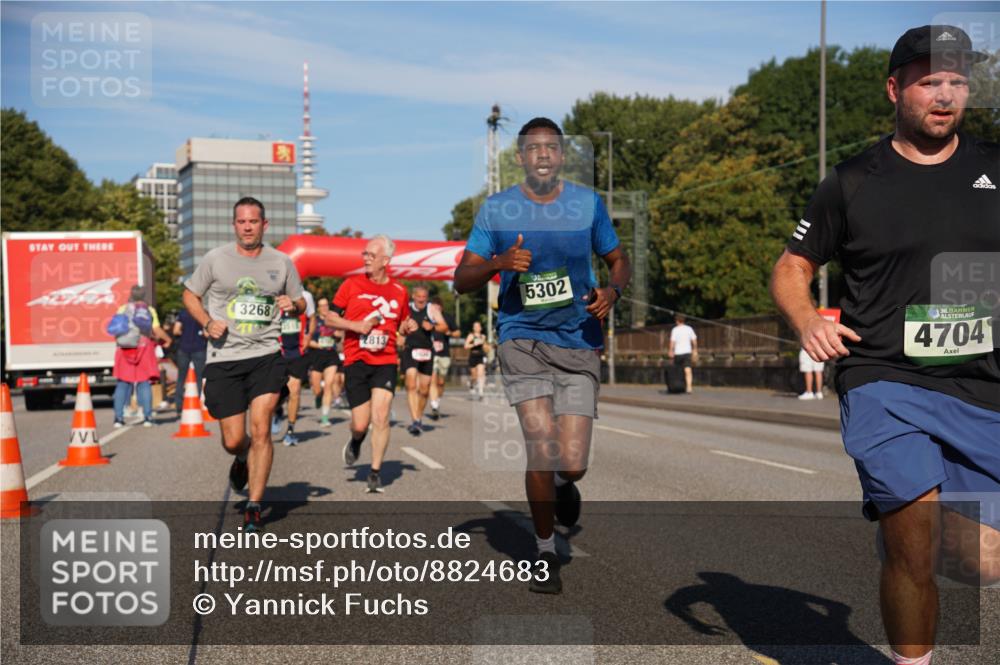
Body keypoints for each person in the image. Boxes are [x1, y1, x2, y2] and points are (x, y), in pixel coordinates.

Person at [770, 25, 998, 665]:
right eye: (930, 81)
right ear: (895, 88)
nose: (946, 95)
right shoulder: (852, 182)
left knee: (977, 563)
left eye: (957, 81)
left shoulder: (996, 168)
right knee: (914, 550)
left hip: (982, 383)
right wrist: (807, 318)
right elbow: (791, 266)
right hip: (885, 379)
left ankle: (905, 531)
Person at [454, 117, 631, 594]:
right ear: (520, 157)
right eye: (535, 149)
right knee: (541, 444)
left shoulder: (586, 204)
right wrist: (497, 263)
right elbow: (460, 279)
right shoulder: (498, 210)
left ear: (562, 155)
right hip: (522, 339)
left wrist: (613, 292)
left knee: (571, 462)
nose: (545, 155)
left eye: (553, 148)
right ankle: (545, 550)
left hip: (577, 339)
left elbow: (618, 259)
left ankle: (560, 483)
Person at [183, 196, 305, 532]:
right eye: (241, 221)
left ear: (265, 225)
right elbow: (190, 295)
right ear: (234, 224)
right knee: (234, 439)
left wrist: (291, 305)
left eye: (254, 221)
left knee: (262, 427)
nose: (247, 227)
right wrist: (207, 322)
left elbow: (300, 302)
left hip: (266, 356)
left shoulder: (281, 262)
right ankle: (241, 457)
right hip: (225, 357)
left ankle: (254, 503)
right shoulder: (215, 259)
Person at [326, 235, 418, 494]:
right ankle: (356, 440)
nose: (365, 258)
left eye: (371, 255)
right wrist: (355, 326)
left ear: (385, 261)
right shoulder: (351, 284)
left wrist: (408, 327)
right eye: (364, 254)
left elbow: (402, 323)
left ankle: (375, 472)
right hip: (356, 360)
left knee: (381, 416)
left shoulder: (399, 291)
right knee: (360, 423)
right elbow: (330, 318)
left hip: (386, 360)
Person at [111, 284, 171, 427]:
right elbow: (156, 329)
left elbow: (115, 329)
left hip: (125, 348)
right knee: (144, 383)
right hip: (144, 347)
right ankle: (147, 417)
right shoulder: (149, 310)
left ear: (131, 295)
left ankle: (118, 418)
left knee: (123, 383)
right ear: (143, 296)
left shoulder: (122, 309)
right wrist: (168, 339)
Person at [400, 285, 447, 436]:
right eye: (418, 297)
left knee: (425, 390)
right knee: (411, 384)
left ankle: (418, 417)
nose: (421, 300)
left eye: (424, 297)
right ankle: (415, 420)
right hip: (410, 349)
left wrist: (432, 326)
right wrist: (401, 333)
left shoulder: (432, 309)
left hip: (427, 351)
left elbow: (444, 327)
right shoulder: (406, 308)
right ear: (413, 296)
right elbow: (397, 325)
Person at [275, 289, 316, 446]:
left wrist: (309, 335)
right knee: (275, 394)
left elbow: (312, 317)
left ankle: (290, 430)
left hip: (297, 351)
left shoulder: (306, 296)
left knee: (295, 390)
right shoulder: (272, 293)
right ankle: (278, 410)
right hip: (278, 350)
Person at [308, 297, 343, 427]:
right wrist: (318, 345)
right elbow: (307, 340)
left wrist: (339, 333)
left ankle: (325, 417)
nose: (324, 308)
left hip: (331, 356)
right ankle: (318, 396)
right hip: (316, 356)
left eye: (326, 305)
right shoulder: (314, 321)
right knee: (317, 389)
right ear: (318, 308)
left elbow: (338, 338)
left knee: (329, 385)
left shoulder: (334, 321)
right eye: (321, 306)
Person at [428, 296, 460, 421]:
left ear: (441, 307)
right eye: (433, 306)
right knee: (433, 379)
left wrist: (450, 333)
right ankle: (434, 405)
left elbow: (458, 333)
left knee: (441, 382)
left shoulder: (447, 318)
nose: (435, 309)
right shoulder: (428, 317)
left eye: (437, 306)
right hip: (431, 352)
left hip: (444, 353)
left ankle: (437, 401)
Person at [172, 308, 208, 415]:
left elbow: (175, 330)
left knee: (181, 377)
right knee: (199, 377)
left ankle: (179, 405)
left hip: (184, 348)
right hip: (199, 348)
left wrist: (184, 333)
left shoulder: (183, 313)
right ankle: (197, 404)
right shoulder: (203, 312)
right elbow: (207, 333)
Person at [668, 314, 698, 394]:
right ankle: (689, 387)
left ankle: (678, 385)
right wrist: (694, 349)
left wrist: (671, 351)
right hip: (687, 352)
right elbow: (694, 340)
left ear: (677, 321)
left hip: (678, 352)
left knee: (678, 370)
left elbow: (672, 342)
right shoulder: (689, 329)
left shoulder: (675, 330)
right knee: (688, 369)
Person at [464, 320, 489, 400]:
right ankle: (471, 384)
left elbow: (486, 347)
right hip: (473, 356)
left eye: (478, 326)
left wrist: (485, 345)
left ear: (480, 328)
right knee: (474, 376)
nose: (477, 328)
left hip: (480, 356)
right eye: (475, 326)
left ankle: (481, 392)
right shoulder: (471, 336)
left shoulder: (483, 336)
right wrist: (474, 344)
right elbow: (465, 346)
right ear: (473, 328)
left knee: (481, 373)